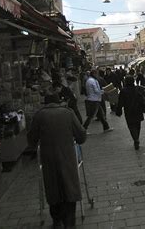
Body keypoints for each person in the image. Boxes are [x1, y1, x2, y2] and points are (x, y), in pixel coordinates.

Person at [28, 89, 86, 228]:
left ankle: (57, 221)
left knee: (53, 188)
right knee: (69, 188)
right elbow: (81, 136)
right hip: (67, 158)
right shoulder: (68, 113)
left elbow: (31, 140)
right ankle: (70, 223)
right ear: (59, 101)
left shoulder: (39, 115)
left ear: (45, 103)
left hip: (48, 159)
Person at [116, 76, 145, 150]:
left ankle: (135, 139)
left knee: (131, 126)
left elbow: (120, 102)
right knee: (138, 125)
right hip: (138, 110)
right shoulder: (138, 88)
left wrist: (118, 111)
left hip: (129, 111)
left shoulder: (123, 91)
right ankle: (137, 137)